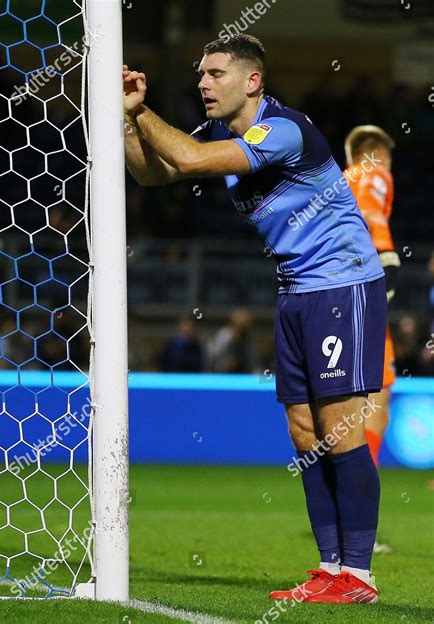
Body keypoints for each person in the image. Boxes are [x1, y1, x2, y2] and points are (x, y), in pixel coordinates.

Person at [123, 34, 387, 604]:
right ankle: (329, 568)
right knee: (304, 432)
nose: (202, 83)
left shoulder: (283, 129)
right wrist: (126, 122)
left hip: (341, 285)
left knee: (338, 427)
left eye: (215, 73)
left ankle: (359, 576)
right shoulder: (220, 133)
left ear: (252, 81)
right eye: (200, 74)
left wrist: (142, 110)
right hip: (295, 291)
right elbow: (154, 175)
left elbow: (187, 160)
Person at [344, 125, 401, 555]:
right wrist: (386, 260)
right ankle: (358, 523)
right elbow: (374, 217)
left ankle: (348, 517)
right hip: (365, 289)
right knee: (375, 404)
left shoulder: (341, 178)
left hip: (334, 295)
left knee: (351, 403)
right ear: (376, 153)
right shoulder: (375, 173)